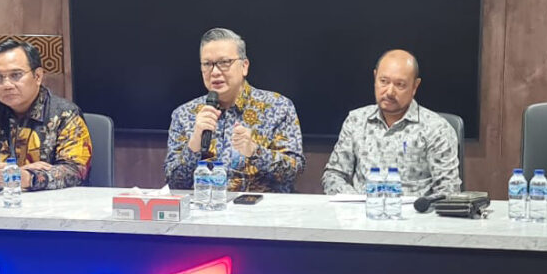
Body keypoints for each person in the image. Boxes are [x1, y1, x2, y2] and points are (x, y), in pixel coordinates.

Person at [164, 28, 305, 193]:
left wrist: (255, 151)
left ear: (244, 66)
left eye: (224, 62)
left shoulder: (278, 107)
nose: (215, 72)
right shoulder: (184, 114)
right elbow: (174, 184)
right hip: (204, 206)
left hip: (261, 207)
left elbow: (295, 171)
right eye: (207, 64)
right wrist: (194, 143)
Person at [0, 39, 91, 190]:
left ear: (37, 76)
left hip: (53, 202)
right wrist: (1, 173)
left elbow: (76, 171)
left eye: (16, 75)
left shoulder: (65, 114)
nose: (7, 85)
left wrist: (29, 177)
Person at [322, 49, 460, 196]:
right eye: (383, 81)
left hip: (414, 210)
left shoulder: (436, 129)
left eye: (400, 84)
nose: (389, 92)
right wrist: (359, 203)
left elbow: (448, 191)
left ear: (415, 86)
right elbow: (333, 176)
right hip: (361, 208)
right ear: (375, 78)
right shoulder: (356, 121)